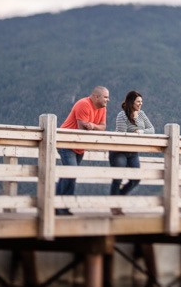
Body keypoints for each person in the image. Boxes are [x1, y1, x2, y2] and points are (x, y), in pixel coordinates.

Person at [55, 86, 109, 215]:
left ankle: (62, 206)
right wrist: (91, 127)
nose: (108, 100)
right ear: (96, 97)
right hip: (66, 142)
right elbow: (82, 129)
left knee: (69, 175)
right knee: (71, 173)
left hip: (80, 145)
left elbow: (103, 127)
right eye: (106, 97)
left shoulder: (102, 108)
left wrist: (93, 126)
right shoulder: (83, 104)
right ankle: (58, 206)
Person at [109, 90, 155, 206]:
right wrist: (135, 135)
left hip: (133, 151)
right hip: (119, 151)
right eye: (138, 101)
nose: (140, 104)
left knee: (136, 179)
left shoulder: (141, 114)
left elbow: (152, 130)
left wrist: (141, 131)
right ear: (131, 102)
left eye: (141, 101)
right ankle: (115, 205)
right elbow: (121, 134)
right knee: (118, 178)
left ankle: (118, 198)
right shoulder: (122, 115)